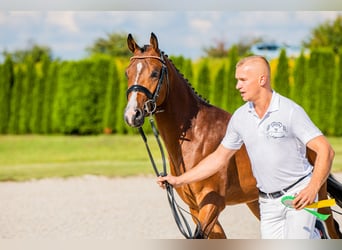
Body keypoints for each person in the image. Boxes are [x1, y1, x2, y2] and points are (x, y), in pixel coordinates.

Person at [157, 55, 335, 239]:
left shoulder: (289, 111)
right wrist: (179, 180)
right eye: (237, 80)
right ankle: (316, 235)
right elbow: (218, 158)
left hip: (298, 194)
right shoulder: (240, 117)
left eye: (242, 80)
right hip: (267, 202)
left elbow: (325, 150)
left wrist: (312, 188)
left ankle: (315, 233)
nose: (237, 86)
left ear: (262, 80)